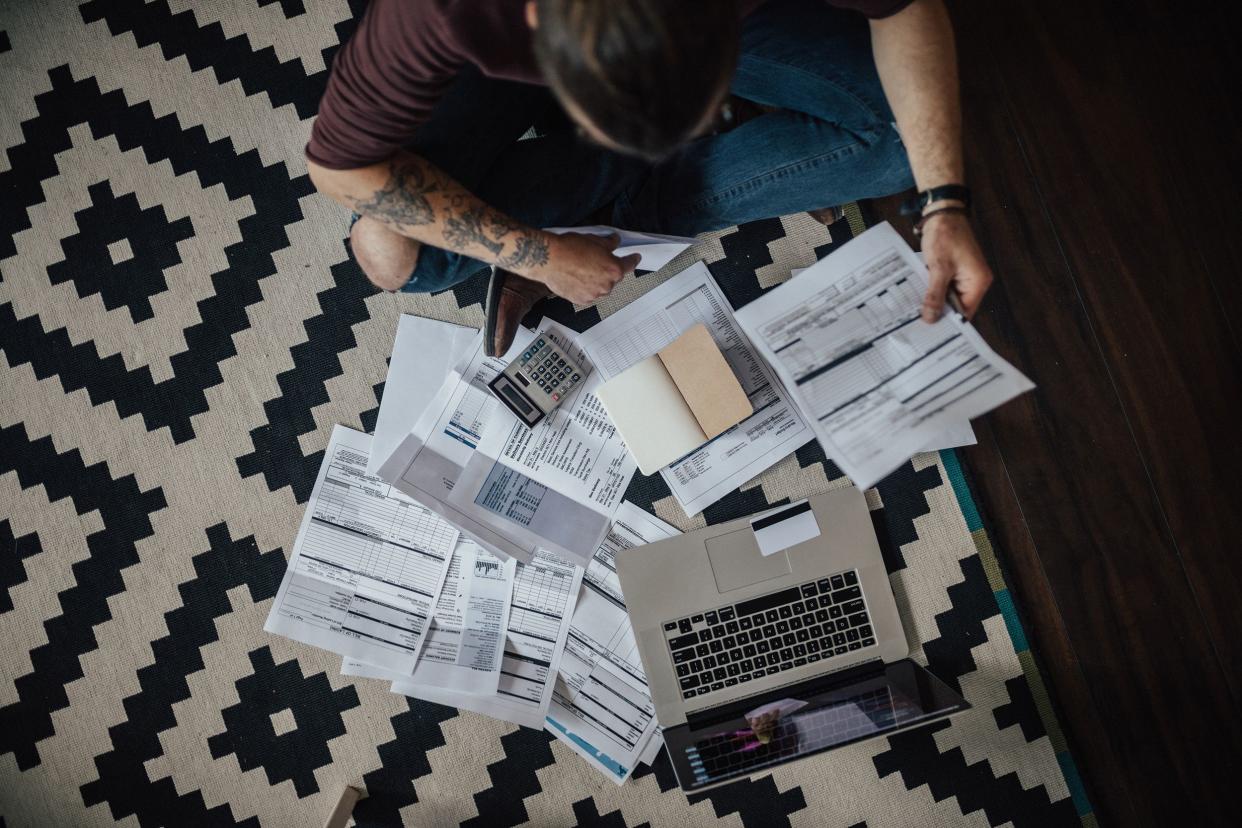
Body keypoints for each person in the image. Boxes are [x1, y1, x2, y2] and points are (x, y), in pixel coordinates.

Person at [307, 0, 993, 356]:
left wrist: (944, 201)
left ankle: (628, 198)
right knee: (394, 252)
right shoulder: (439, 13)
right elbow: (341, 170)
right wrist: (538, 254)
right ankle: (639, 186)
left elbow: (902, 8)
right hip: (486, 60)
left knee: (907, 138)